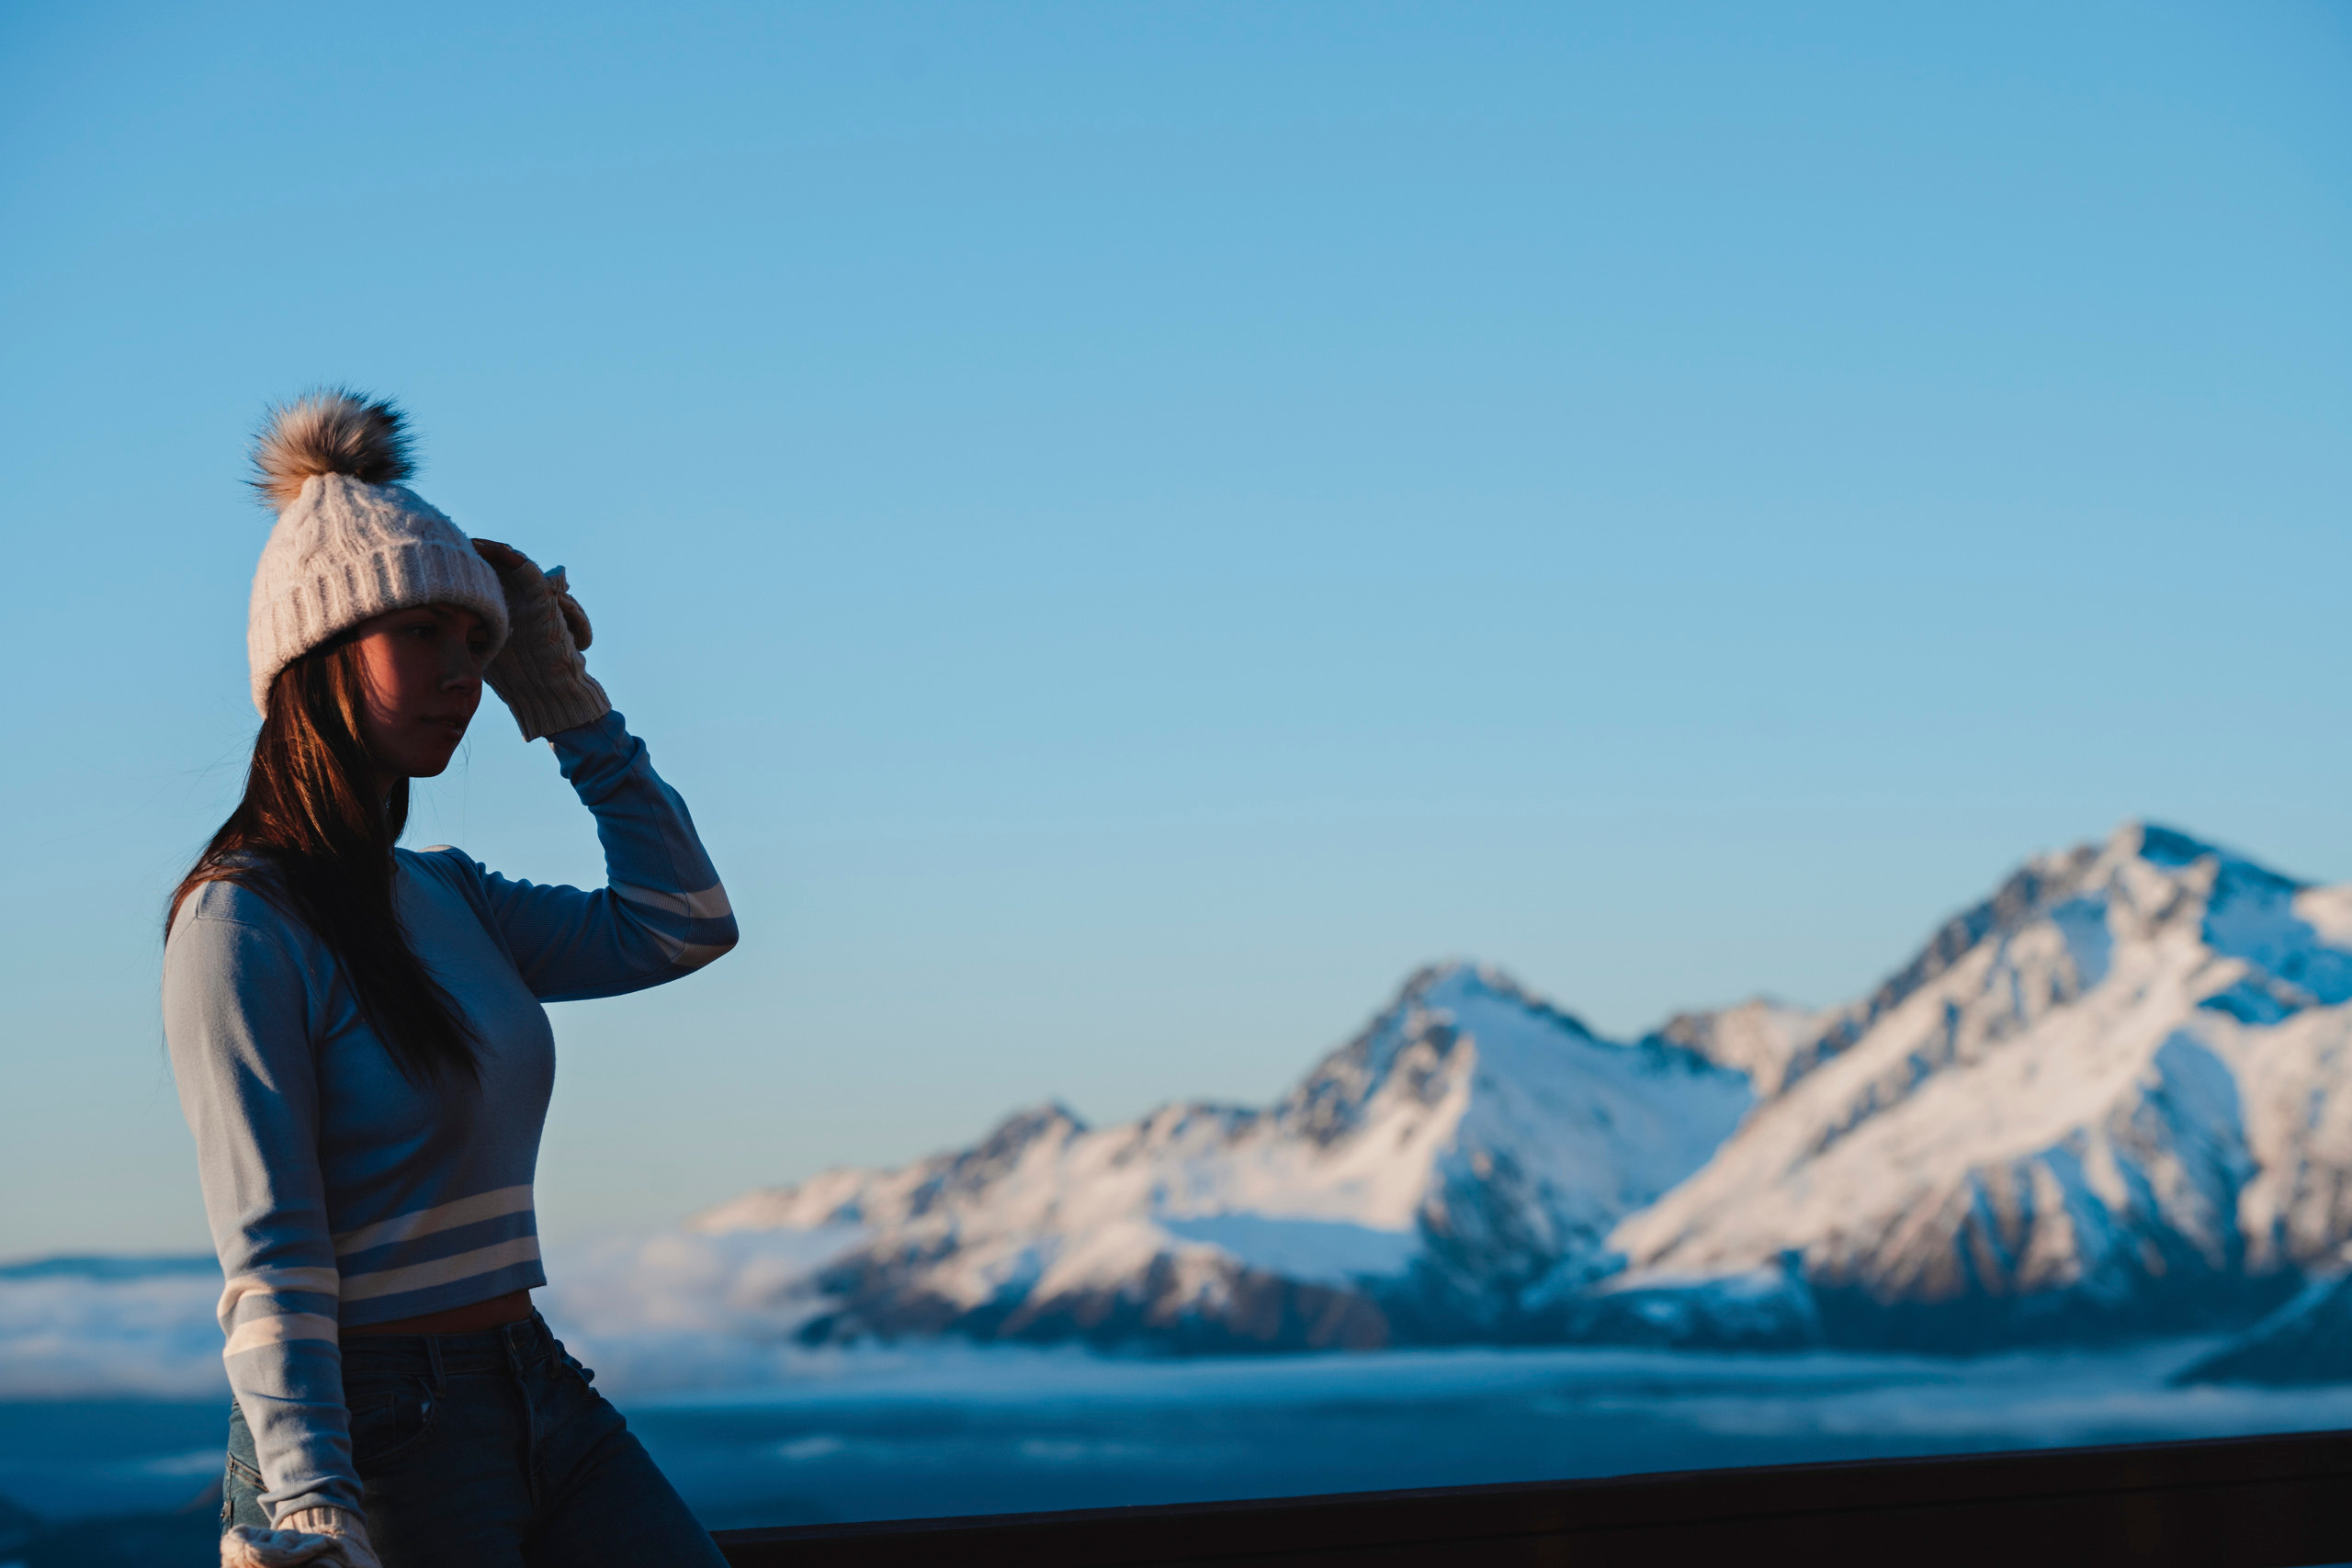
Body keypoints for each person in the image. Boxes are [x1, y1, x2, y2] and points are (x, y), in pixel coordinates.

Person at [163, 390, 740, 1568]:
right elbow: (270, 1249)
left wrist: (569, 707)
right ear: (320, 652)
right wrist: (311, 1504)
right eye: (422, 633)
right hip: (374, 1425)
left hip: (534, 1380)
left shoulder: (448, 894)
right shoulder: (240, 922)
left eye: (478, 645)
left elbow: (682, 924)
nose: (462, 675)